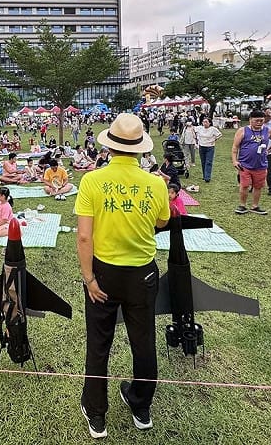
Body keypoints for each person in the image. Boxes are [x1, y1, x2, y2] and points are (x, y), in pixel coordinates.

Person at [75, 113, 170, 438]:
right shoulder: (156, 183)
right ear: (141, 149)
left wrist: (89, 279)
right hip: (143, 275)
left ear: (110, 147)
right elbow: (161, 223)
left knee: (99, 344)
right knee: (143, 342)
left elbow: (84, 237)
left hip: (103, 273)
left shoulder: (92, 180)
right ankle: (140, 406)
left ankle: (96, 413)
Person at [231, 109, 271, 215]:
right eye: (256, 121)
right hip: (244, 164)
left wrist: (268, 150)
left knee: (258, 186)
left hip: (261, 164)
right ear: (250, 120)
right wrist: (234, 161)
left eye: (261, 121)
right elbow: (235, 147)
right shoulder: (242, 131)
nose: (259, 123)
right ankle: (242, 205)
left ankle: (255, 206)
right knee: (244, 185)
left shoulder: (268, 130)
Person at [194, 117, 223, 183]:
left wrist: (214, 139)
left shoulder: (213, 129)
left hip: (210, 147)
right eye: (203, 122)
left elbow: (219, 135)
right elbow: (193, 129)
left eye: (206, 122)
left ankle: (207, 177)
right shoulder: (199, 128)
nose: (205, 123)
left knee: (208, 162)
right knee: (203, 161)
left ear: (210, 123)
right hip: (201, 147)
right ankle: (204, 175)